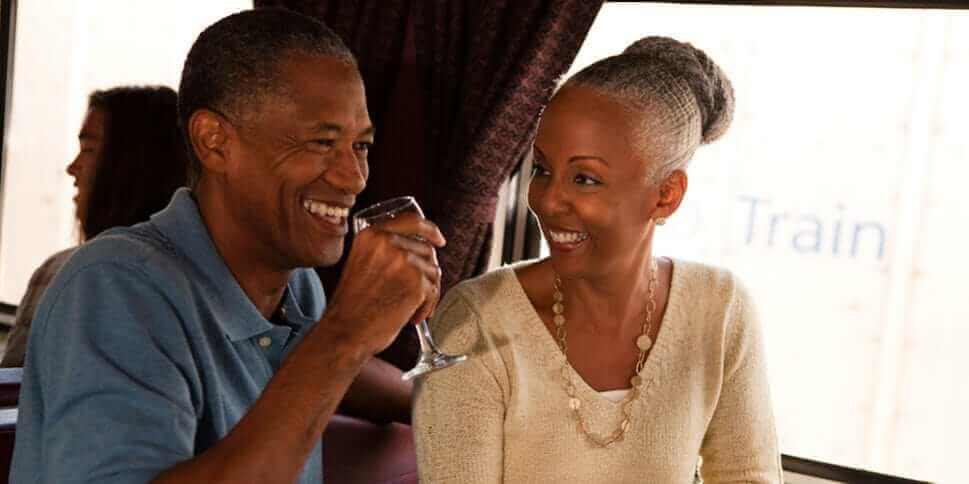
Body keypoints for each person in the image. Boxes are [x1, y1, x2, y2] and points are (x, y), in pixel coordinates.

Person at [11, 8, 443, 484]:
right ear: (213, 141)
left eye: (361, 146)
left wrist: (457, 399)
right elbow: (330, 356)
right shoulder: (114, 286)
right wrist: (344, 333)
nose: (354, 178)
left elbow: (340, 377)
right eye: (322, 142)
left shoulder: (297, 288)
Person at [414, 36, 782, 483]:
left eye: (585, 179)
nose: (547, 201)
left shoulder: (719, 308)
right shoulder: (475, 324)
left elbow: (749, 475)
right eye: (542, 170)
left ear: (666, 195)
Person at [0, 86, 188, 368]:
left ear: (130, 166)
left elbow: (16, 389)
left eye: (88, 150)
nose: (72, 168)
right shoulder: (204, 280)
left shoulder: (64, 273)